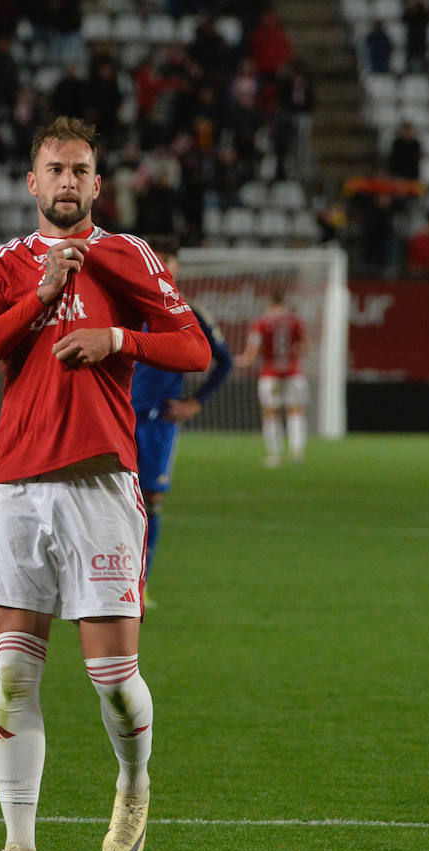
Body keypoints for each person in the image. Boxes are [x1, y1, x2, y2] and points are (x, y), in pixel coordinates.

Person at [0, 117, 211, 851]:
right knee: (12, 679)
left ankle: (134, 780)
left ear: (99, 184)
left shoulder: (126, 255)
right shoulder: (3, 265)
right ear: (31, 183)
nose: (67, 181)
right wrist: (38, 300)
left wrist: (119, 342)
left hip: (100, 485)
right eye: (54, 169)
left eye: (80, 170)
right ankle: (19, 848)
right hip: (17, 488)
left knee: (113, 679)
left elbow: (193, 348)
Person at [130, 236, 233, 606]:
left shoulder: (189, 312)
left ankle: (139, 585)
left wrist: (195, 402)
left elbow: (225, 361)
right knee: (109, 497)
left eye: (168, 259)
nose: (162, 265)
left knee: (151, 497)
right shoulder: (123, 305)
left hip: (159, 420)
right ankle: (102, 580)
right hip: (119, 415)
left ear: (177, 267)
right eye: (156, 259)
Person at [237, 290, 308, 468]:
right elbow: (304, 347)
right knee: (295, 411)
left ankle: (275, 455)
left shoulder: (261, 323)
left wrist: (240, 360)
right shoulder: (295, 321)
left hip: (270, 375)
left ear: (269, 302)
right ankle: (297, 451)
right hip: (293, 372)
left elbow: (251, 353)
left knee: (270, 413)